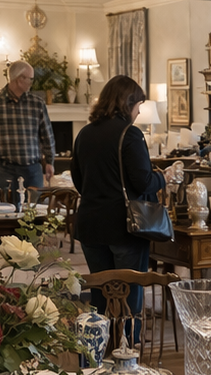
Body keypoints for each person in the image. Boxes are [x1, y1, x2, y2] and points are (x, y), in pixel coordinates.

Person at [70, 75, 167, 323]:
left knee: (101, 294)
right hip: (125, 226)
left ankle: (100, 349)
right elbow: (143, 182)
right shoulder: (130, 135)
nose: (138, 112)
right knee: (128, 295)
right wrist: (164, 177)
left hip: (91, 224)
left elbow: (78, 181)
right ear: (127, 103)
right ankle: (126, 352)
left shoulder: (84, 134)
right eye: (138, 106)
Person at [0, 61, 55, 207]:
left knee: (35, 214)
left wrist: (49, 161)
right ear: (20, 79)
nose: (32, 83)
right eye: (30, 79)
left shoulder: (37, 104)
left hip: (32, 169)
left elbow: (47, 134)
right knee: (7, 212)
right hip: (5, 169)